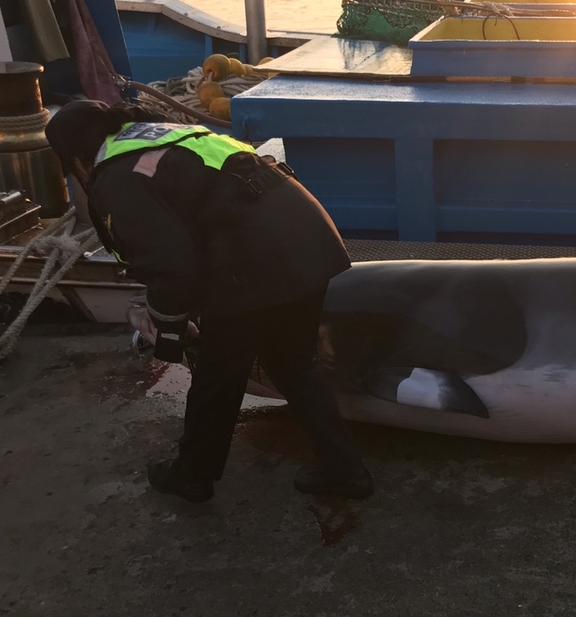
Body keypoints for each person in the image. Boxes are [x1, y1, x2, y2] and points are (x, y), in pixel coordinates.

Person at [46, 100, 373, 503]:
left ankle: (192, 474)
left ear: (76, 156)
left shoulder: (116, 175)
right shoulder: (166, 135)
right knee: (295, 364)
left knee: (218, 375)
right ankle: (345, 470)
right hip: (309, 240)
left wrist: (168, 330)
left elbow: (172, 265)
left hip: (254, 263)